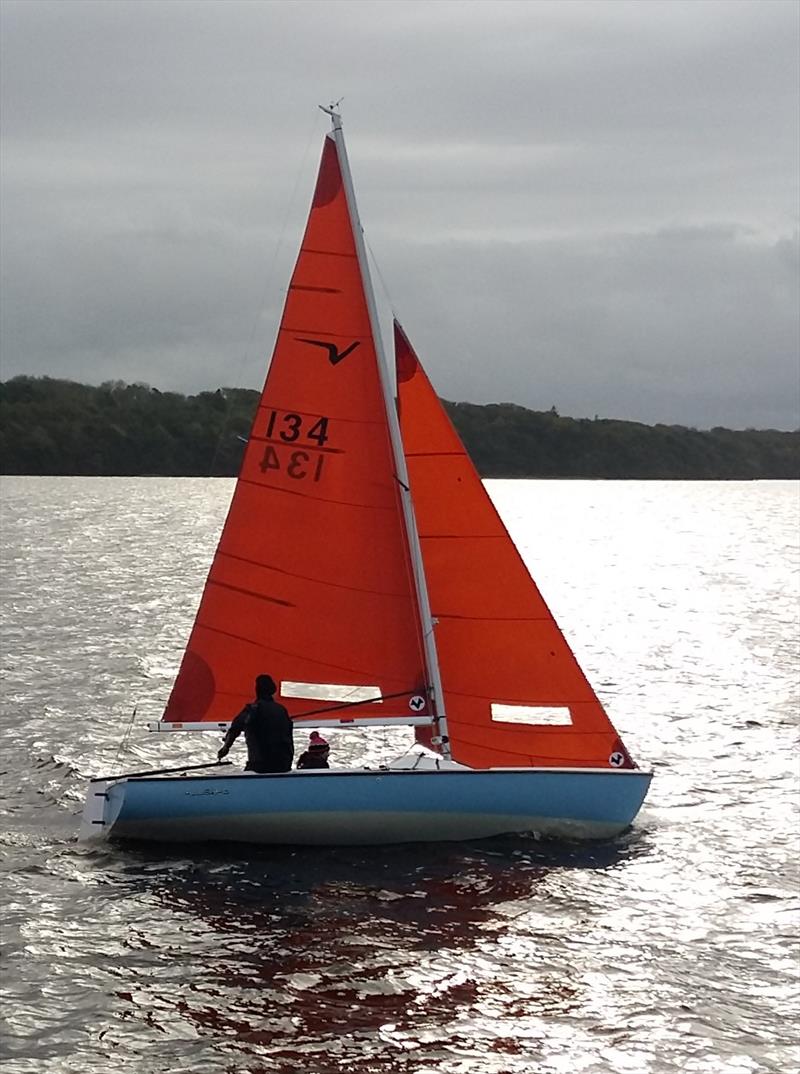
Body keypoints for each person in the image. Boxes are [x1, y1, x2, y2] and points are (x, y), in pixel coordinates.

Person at [217, 674, 294, 773]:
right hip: (283, 764)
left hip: (260, 765)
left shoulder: (252, 709)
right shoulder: (281, 710)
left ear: (257, 690)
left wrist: (225, 747)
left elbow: (235, 729)